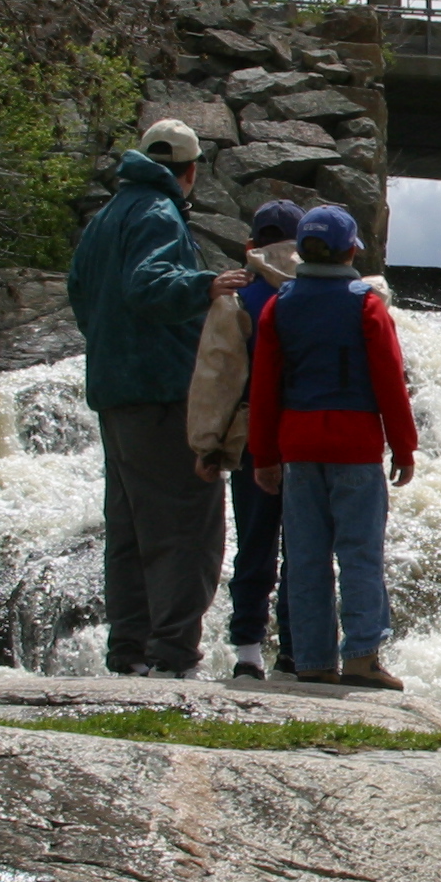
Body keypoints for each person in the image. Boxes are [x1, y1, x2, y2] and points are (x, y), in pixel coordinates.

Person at [65, 117, 245, 678]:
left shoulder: (104, 219)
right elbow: (148, 283)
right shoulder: (158, 212)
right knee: (188, 526)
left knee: (129, 530)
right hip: (160, 393)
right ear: (189, 173)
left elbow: (80, 294)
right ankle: (171, 657)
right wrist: (204, 284)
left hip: (114, 395)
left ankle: (129, 653)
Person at [249, 204, 417, 690]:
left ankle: (313, 660)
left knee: (305, 558)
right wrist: (403, 449)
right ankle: (363, 656)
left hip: (298, 446)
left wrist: (263, 455)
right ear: (350, 250)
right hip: (356, 444)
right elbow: (391, 383)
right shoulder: (366, 305)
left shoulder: (280, 304)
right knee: (360, 553)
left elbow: (265, 388)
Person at [187, 200, 305, 680]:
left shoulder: (237, 297)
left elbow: (218, 376)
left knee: (254, 545)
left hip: (253, 437)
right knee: (304, 548)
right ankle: (300, 654)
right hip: (306, 437)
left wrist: (207, 444)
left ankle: (247, 653)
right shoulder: (325, 291)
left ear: (250, 245)